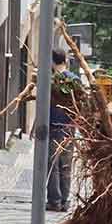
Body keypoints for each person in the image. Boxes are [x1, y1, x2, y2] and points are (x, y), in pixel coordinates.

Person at [46, 50, 76, 212]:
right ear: (65, 60)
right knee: (65, 166)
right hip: (69, 128)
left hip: (53, 126)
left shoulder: (50, 80)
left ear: (52, 62)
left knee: (52, 166)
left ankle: (54, 201)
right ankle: (65, 201)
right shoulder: (74, 80)